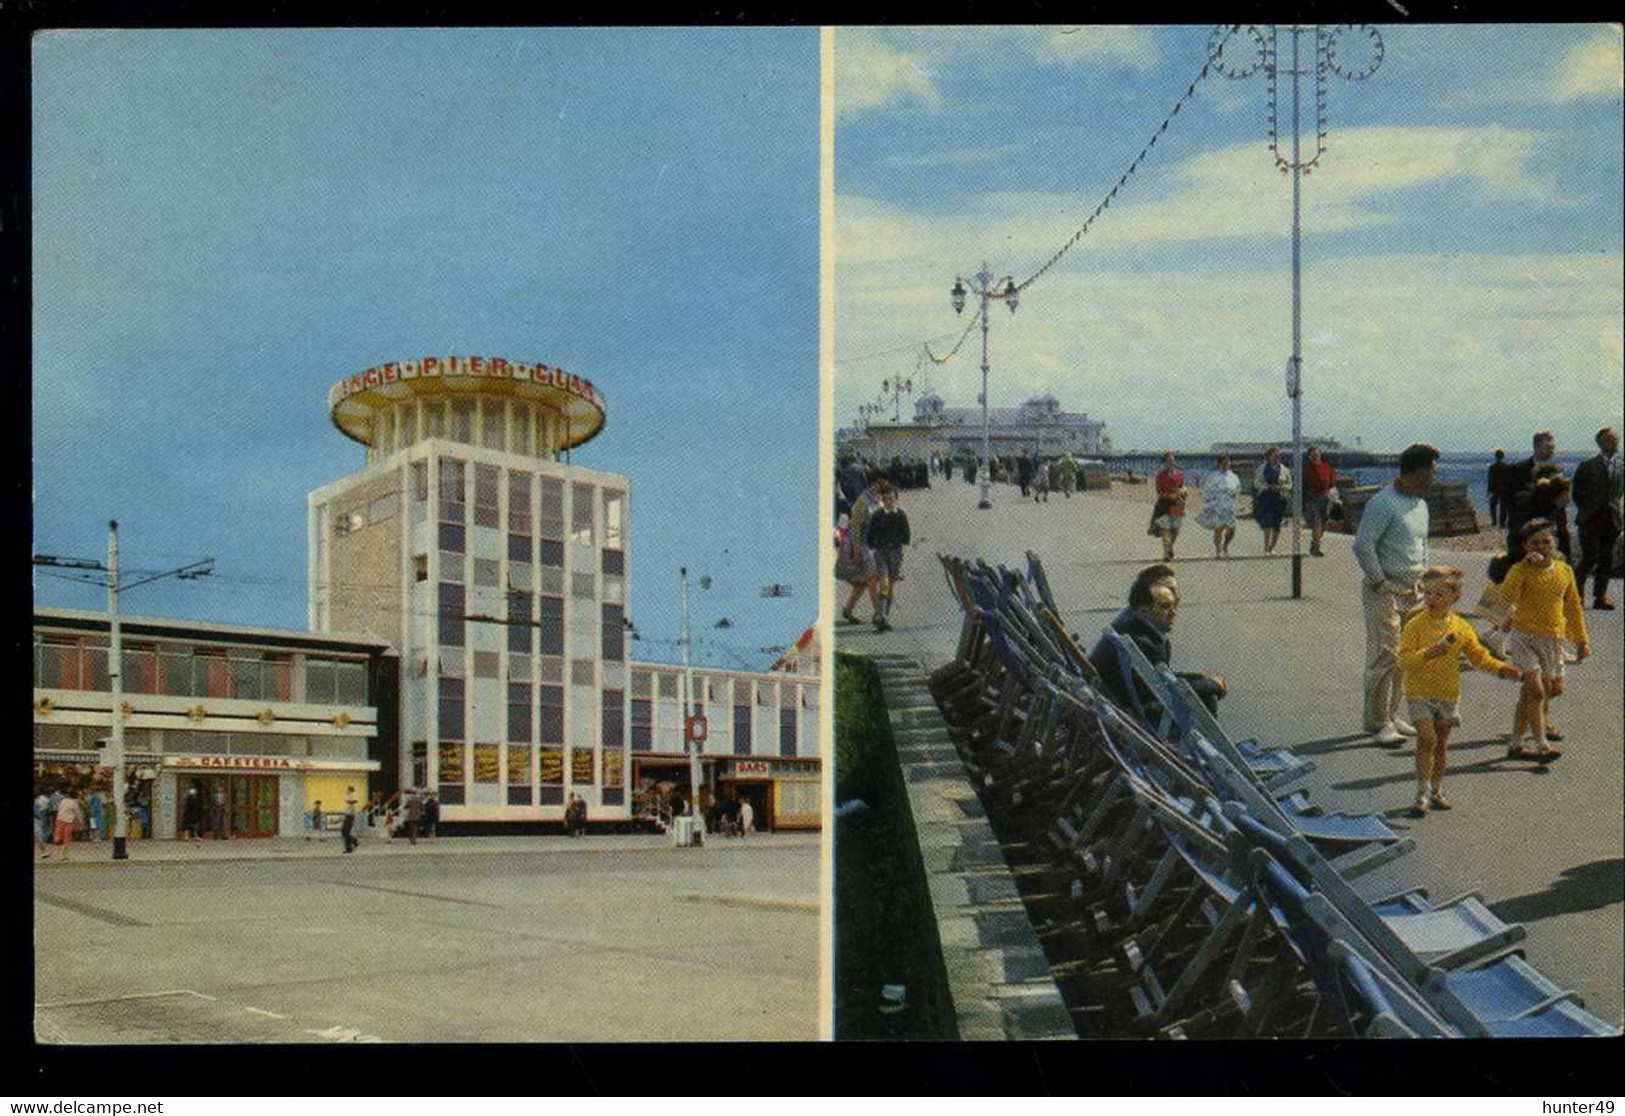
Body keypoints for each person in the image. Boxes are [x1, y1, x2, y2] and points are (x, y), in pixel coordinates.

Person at [1396, 566, 1522, 816]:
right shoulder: (1415, 625)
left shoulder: (1461, 627)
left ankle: (1436, 790)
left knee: (1441, 744)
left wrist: (1503, 669)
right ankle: (1421, 793)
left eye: (1439, 594)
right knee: (1426, 738)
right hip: (1419, 691)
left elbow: (1479, 658)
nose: (1431, 599)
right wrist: (1428, 653)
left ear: (1455, 597)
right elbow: (1404, 661)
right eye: (1427, 593)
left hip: (1447, 694)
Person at [1352, 442, 1440, 747]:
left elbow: (1422, 547)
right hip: (1385, 589)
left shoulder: (1421, 505)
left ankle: (1392, 714)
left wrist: (1428, 581)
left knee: (1407, 657)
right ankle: (1377, 722)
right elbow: (1363, 544)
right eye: (1431, 472)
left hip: (1415, 590)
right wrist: (1378, 580)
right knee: (1385, 656)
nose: (1434, 478)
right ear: (1416, 471)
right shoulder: (1382, 503)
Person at [1497, 519, 1590, 762]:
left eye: (1545, 541)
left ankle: (1516, 743)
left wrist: (1581, 640)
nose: (1540, 546)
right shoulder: (1521, 570)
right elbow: (1504, 597)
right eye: (1534, 543)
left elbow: (1573, 607)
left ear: (1555, 542)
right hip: (1524, 637)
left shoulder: (1564, 571)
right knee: (1537, 691)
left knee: (1547, 690)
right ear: (1526, 546)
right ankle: (1542, 745)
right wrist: (1521, 568)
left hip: (1552, 638)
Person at [1088, 564, 1228, 719]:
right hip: (1133, 713)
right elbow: (1162, 688)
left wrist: (1200, 678)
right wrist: (1212, 684)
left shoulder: (1132, 621)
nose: (1176, 598)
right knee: (1207, 697)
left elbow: (1159, 676)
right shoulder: (1143, 638)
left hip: (1119, 702)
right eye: (1169, 592)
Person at [1570, 426, 1621, 610]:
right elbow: (1576, 492)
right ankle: (1576, 596)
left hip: (1612, 519)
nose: (1614, 442)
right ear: (1599, 443)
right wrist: (1588, 509)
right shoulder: (1587, 465)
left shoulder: (1621, 465)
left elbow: (1618, 492)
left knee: (1606, 560)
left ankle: (1600, 597)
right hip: (1590, 519)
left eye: (1616, 439)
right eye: (1609, 439)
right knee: (1588, 558)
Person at [864, 483, 911, 633]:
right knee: (884, 584)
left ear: (896, 499)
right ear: (882, 501)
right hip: (881, 553)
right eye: (885, 499)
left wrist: (899, 542)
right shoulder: (877, 515)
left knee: (891, 587)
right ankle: (882, 618)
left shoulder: (901, 515)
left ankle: (883, 616)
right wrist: (875, 546)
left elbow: (906, 534)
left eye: (891, 499)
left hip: (896, 554)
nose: (889, 502)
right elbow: (870, 535)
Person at [838, 470, 882, 626]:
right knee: (872, 578)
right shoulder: (863, 501)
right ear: (875, 483)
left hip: (872, 544)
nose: (884, 485)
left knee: (863, 582)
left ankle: (848, 610)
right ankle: (879, 615)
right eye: (881, 482)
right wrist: (856, 550)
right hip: (859, 544)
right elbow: (855, 527)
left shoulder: (877, 499)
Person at [1197, 455, 1241, 558]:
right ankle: (1218, 550)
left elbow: (1238, 488)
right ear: (1219, 464)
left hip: (1230, 505)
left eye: (1228, 462)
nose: (1226, 464)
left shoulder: (1233, 476)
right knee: (1219, 528)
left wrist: (1236, 495)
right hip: (1218, 506)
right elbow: (1206, 491)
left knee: (1232, 529)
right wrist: (1208, 504)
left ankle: (1225, 546)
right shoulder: (1213, 476)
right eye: (1224, 463)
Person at [1150, 452, 1186, 562]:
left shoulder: (1179, 474)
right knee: (1166, 529)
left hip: (1177, 503)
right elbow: (1159, 492)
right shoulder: (1160, 476)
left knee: (1175, 529)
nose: (1172, 462)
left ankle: (1170, 547)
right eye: (1169, 460)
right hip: (1164, 504)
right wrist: (1169, 496)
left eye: (1173, 460)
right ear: (1164, 462)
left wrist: (1183, 494)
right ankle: (1166, 553)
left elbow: (1182, 487)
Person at [1302, 446, 1337, 557]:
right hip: (1312, 499)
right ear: (1309, 457)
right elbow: (1303, 486)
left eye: (1317, 454)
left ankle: (1314, 544)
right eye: (1312, 455)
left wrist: (1335, 498)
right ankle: (1316, 548)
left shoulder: (1327, 467)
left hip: (1325, 498)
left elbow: (1332, 484)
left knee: (1322, 524)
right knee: (1317, 523)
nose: (1315, 456)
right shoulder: (1307, 469)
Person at [1511, 430, 1560, 505]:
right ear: (1535, 447)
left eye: (1552, 448)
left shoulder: (1555, 470)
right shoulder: (1519, 468)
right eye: (1547, 447)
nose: (1551, 452)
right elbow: (1511, 498)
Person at [53, 789, 84, 862]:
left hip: (59, 820)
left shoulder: (63, 801)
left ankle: (60, 853)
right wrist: (81, 823)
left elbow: (59, 809)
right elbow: (78, 814)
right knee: (66, 838)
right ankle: (63, 855)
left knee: (59, 837)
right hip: (68, 821)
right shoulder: (74, 803)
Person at [1487, 449, 1512, 528]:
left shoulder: (1492, 467)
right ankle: (1502, 523)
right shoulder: (1507, 466)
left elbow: (1490, 479)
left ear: (1495, 457)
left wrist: (1489, 490)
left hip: (1495, 489)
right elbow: (1510, 479)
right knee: (1503, 507)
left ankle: (1494, 521)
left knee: (1492, 505)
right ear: (1503, 456)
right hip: (1505, 489)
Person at [341, 786, 358, 853]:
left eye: (347, 790)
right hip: (348, 816)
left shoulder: (351, 797)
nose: (346, 791)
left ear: (350, 790)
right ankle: (354, 841)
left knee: (345, 832)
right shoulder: (348, 798)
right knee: (345, 832)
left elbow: (354, 802)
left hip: (349, 817)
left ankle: (349, 848)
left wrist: (353, 817)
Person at [35, 788, 51, 859]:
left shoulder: (38, 801)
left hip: (37, 819)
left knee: (38, 837)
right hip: (36, 819)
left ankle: (43, 852)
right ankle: (43, 852)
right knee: (39, 836)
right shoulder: (39, 801)